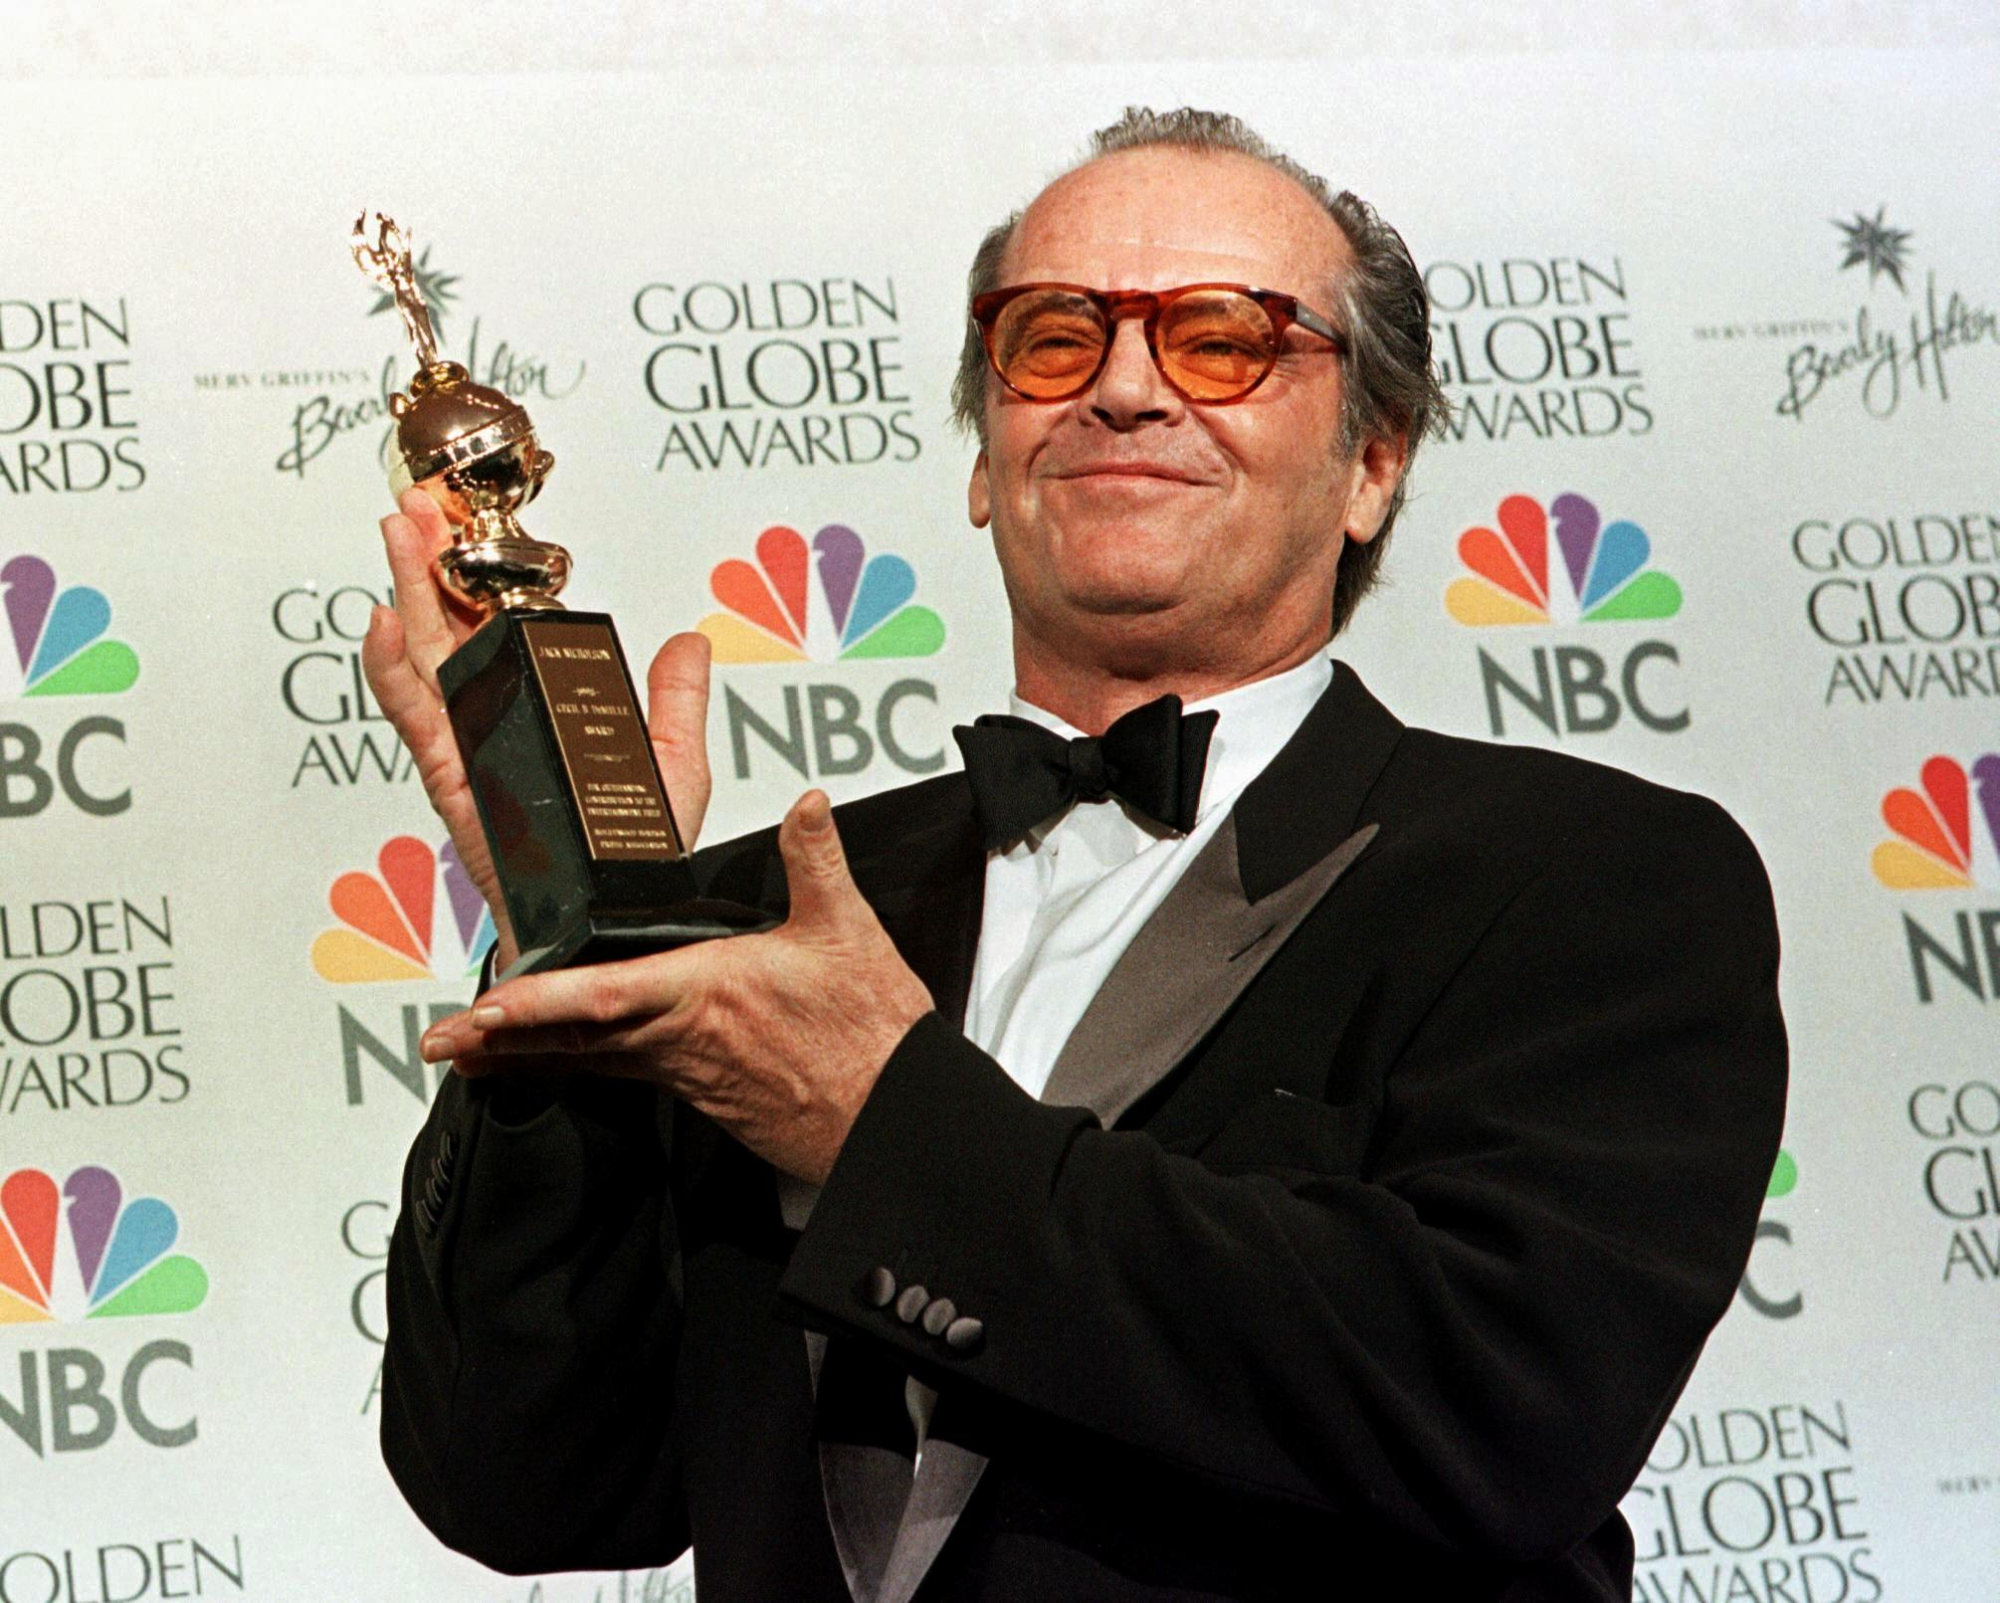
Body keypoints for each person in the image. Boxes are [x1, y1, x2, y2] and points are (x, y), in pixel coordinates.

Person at [368, 108, 1787, 1603]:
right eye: (1052, 338)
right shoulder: (772, 914)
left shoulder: (1593, 877)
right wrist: (571, 907)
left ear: (1373, 462)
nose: (1121, 388)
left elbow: (1497, 1416)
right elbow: (526, 1484)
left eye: (1222, 340)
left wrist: (877, 1127)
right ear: (985, 455)